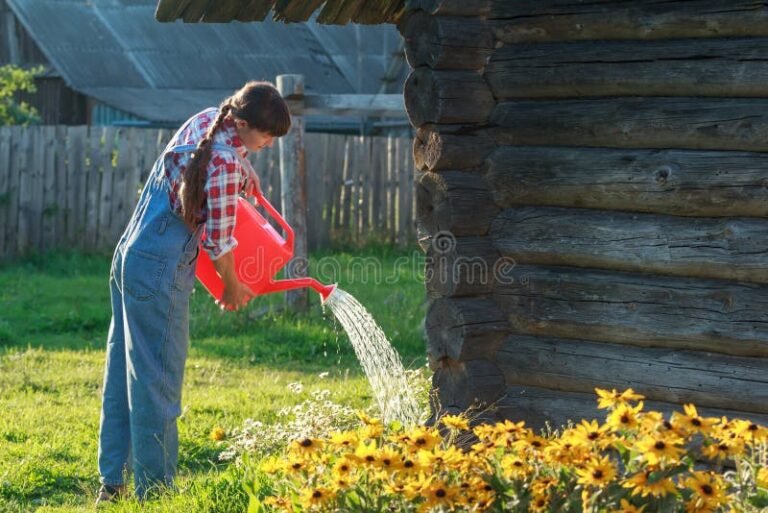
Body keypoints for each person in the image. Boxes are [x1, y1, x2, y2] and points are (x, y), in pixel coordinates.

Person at [95, 81, 291, 504]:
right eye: (266, 136)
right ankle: (157, 496)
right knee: (158, 385)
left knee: (123, 375)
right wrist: (234, 288)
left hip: (129, 255)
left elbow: (218, 162)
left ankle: (112, 485)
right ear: (240, 123)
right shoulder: (221, 164)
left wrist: (246, 164)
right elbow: (219, 245)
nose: (270, 144)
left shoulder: (208, 121)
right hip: (159, 270)